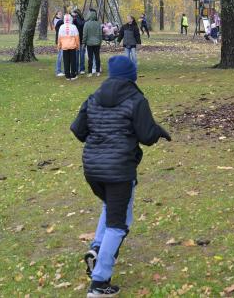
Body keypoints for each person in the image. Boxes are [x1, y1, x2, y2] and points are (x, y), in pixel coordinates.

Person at [70, 55, 171, 297]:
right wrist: (158, 131)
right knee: (119, 223)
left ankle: (96, 248)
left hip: (93, 170)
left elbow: (78, 129)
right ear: (131, 77)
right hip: (119, 171)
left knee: (111, 207)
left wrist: (99, 142)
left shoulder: (94, 97)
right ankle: (99, 282)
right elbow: (147, 136)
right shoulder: (136, 99)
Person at [57, 14, 81, 80]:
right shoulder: (74, 27)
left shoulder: (61, 27)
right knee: (73, 61)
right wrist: (78, 46)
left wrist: (59, 46)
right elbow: (77, 37)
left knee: (66, 61)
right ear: (71, 19)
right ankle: (73, 75)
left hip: (64, 47)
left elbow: (59, 38)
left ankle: (67, 76)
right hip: (72, 46)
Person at [83, 10, 104, 76]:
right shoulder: (98, 24)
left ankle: (90, 72)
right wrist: (100, 42)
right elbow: (100, 34)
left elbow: (85, 34)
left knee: (90, 58)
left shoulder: (86, 24)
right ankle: (98, 71)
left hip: (89, 43)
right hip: (97, 43)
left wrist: (84, 42)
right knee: (97, 57)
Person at [72, 9, 87, 74]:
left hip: (79, 39)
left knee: (79, 55)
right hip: (79, 39)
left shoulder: (76, 19)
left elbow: (80, 24)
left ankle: (79, 69)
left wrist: (76, 17)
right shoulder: (82, 20)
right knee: (80, 55)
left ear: (76, 14)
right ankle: (80, 69)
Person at [53, 11, 65, 76]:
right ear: (56, 14)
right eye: (59, 14)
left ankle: (61, 70)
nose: (61, 14)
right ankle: (58, 71)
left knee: (62, 55)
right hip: (59, 40)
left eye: (61, 13)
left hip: (62, 40)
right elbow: (57, 27)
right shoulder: (58, 21)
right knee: (60, 55)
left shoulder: (60, 21)